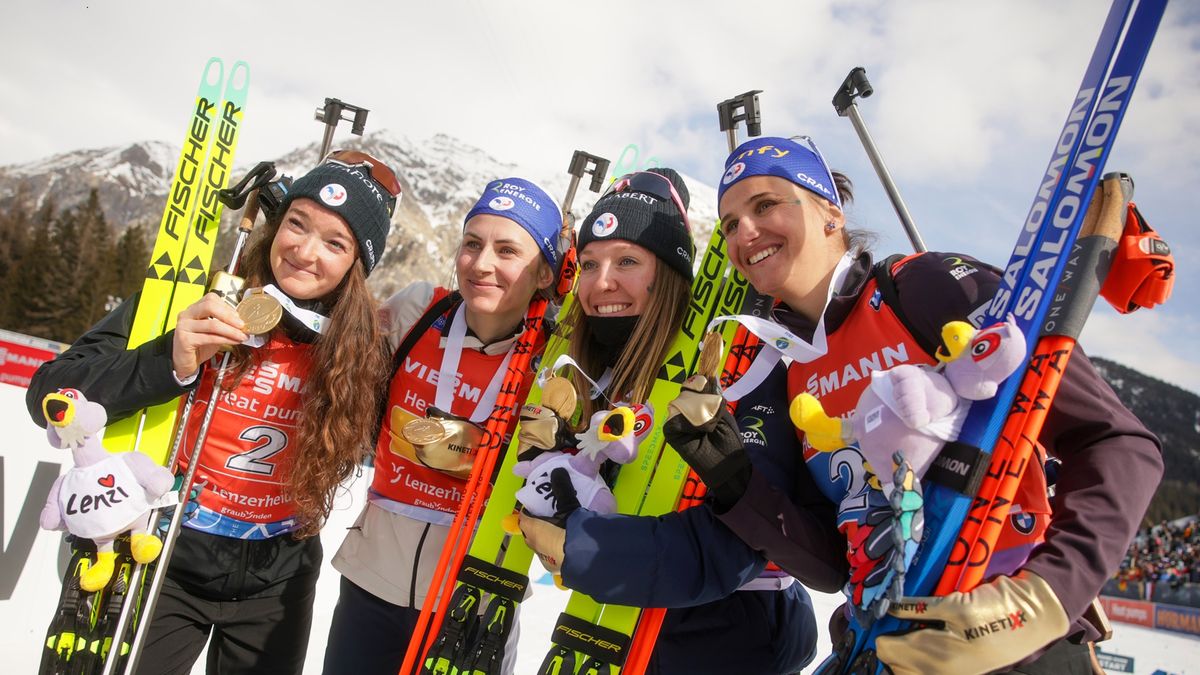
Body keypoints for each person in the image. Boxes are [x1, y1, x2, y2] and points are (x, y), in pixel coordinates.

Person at [667, 135, 1163, 674]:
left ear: (830, 212)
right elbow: (834, 564)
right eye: (731, 222)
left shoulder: (924, 288)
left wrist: (1046, 596)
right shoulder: (788, 370)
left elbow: (1118, 442)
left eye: (764, 205)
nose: (746, 233)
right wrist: (735, 482)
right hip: (886, 645)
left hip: (1010, 643)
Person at [26, 151, 402, 673]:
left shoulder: (361, 354)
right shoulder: (194, 301)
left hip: (278, 575)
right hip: (163, 555)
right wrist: (170, 361)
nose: (304, 250)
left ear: (357, 265)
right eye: (297, 223)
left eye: (334, 243)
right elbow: (47, 394)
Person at [517, 167, 820, 674]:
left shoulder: (743, 367)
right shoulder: (596, 371)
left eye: (628, 261)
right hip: (611, 622)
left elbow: (741, 541)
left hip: (725, 635)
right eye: (589, 264)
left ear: (670, 277)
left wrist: (587, 546)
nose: (602, 282)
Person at [324, 177, 562, 675]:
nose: (481, 264)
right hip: (373, 579)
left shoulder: (553, 361)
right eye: (472, 244)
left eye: (507, 251)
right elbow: (337, 356)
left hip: (474, 597)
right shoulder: (418, 309)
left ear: (543, 272)